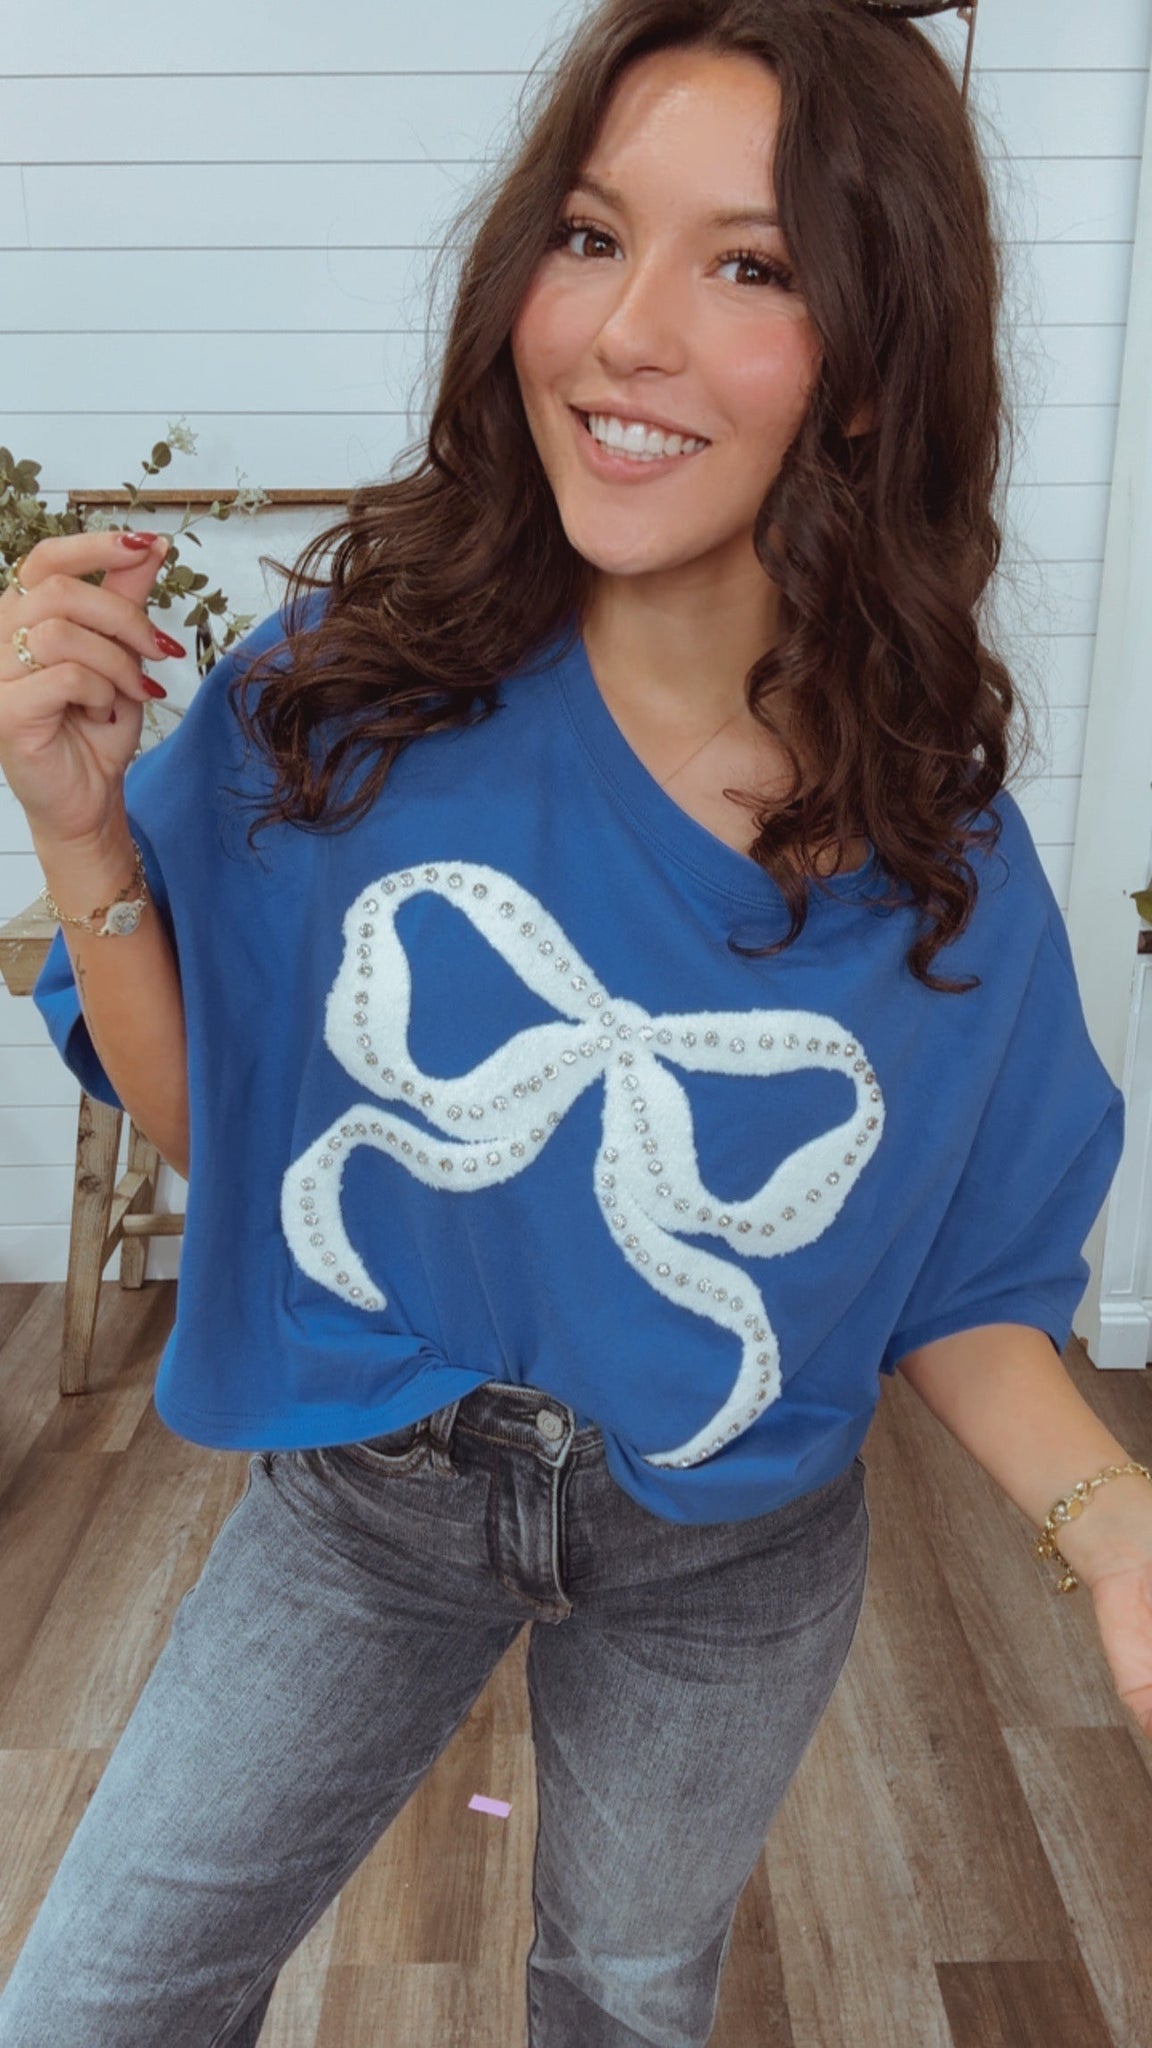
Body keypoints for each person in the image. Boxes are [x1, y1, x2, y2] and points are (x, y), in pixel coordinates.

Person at [1, 2, 1148, 2044]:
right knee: (101, 1999)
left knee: (626, 1996)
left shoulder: (929, 828)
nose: (626, 332)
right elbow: (222, 1132)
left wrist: (1114, 1524)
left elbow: (966, 1277)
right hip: (369, 1498)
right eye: (594, 236)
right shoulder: (346, 698)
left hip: (732, 1548)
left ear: (875, 371)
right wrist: (82, 827)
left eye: (751, 266)